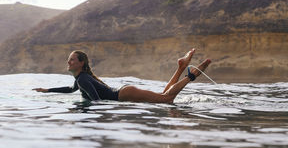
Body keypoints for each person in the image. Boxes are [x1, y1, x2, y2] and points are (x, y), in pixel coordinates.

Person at [33, 49, 211, 103]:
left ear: (81, 63)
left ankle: (192, 75)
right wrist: (46, 90)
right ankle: (181, 67)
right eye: (68, 59)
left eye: (72, 60)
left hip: (124, 95)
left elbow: (96, 102)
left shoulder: (83, 79)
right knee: (164, 97)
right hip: (124, 92)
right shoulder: (81, 79)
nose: (69, 62)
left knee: (166, 99)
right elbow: (71, 89)